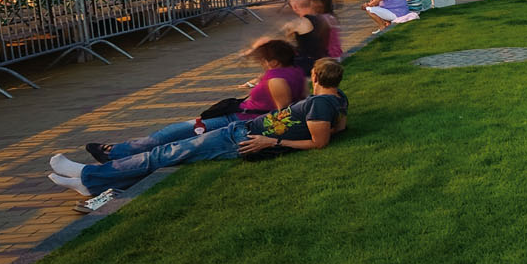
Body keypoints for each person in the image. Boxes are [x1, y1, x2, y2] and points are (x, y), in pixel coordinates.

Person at [52, 59, 350, 196]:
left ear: (316, 76)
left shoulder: (321, 104)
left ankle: (90, 178)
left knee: (166, 153)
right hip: (242, 133)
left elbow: (319, 142)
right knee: (168, 150)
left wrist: (271, 143)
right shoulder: (336, 99)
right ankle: (97, 180)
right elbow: (337, 129)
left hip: (243, 140)